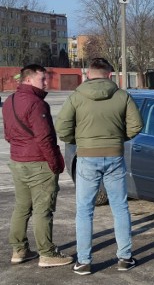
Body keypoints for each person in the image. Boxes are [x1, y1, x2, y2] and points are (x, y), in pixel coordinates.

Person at [55, 58, 143, 275]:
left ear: (88, 74)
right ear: (110, 75)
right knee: (120, 207)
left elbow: (62, 127)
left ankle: (84, 262)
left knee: (85, 210)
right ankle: (124, 257)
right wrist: (118, 139)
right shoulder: (122, 95)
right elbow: (137, 125)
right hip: (114, 156)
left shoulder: (76, 97)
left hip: (86, 156)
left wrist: (77, 141)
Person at [2, 64, 74, 268]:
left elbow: (8, 134)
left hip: (18, 161)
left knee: (22, 207)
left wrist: (21, 147)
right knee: (43, 210)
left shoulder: (10, 100)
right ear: (28, 79)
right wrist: (56, 163)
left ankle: (19, 250)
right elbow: (45, 138)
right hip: (38, 163)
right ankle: (47, 253)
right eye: (42, 79)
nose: (46, 83)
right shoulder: (37, 104)